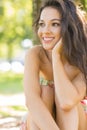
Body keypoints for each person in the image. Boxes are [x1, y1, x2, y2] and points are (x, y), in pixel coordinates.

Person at [22, 0, 87, 130]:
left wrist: (56, 56)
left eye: (55, 24)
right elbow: (31, 100)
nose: (45, 31)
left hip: (76, 119)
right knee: (46, 91)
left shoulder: (81, 62)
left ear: (69, 27)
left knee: (68, 103)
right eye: (42, 24)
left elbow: (66, 102)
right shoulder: (35, 55)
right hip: (43, 122)